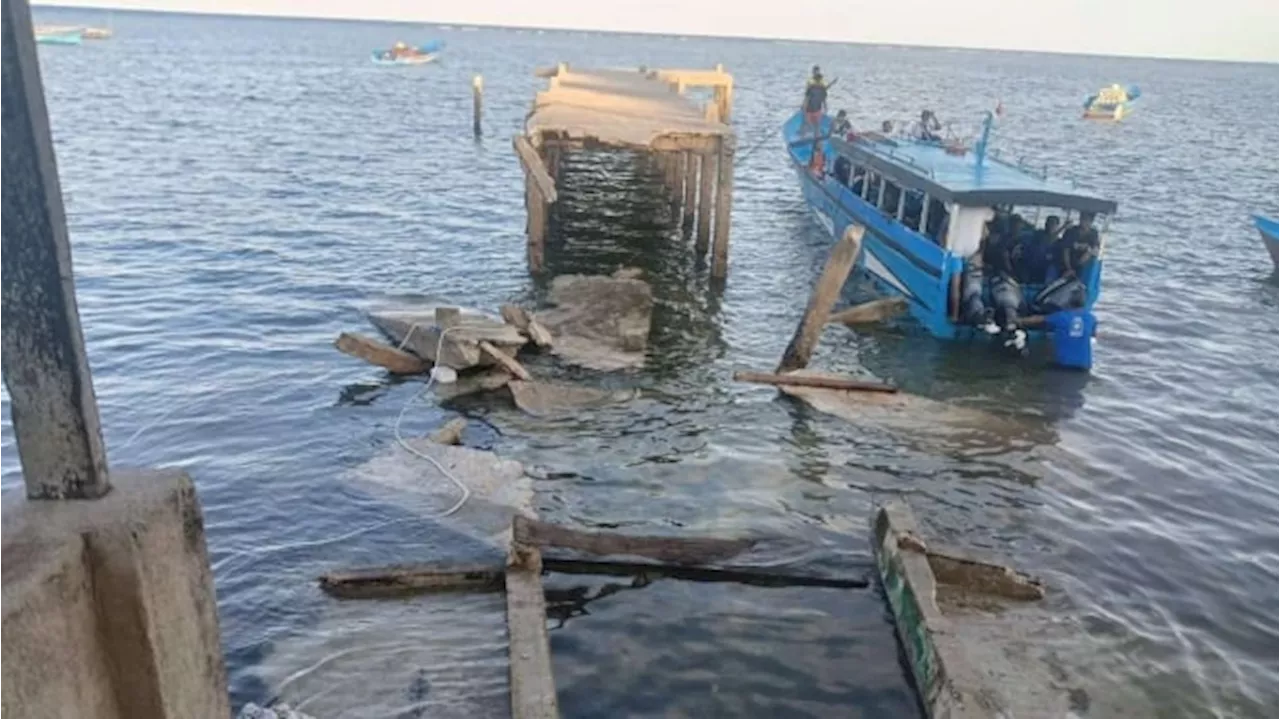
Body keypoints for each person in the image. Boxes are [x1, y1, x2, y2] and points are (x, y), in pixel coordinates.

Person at [1055, 211, 1101, 277]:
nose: (1083, 222)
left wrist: (1088, 248)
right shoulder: (1071, 231)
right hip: (1068, 261)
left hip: (1082, 262)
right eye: (1082, 219)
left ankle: (1076, 271)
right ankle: (1069, 271)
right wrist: (1069, 268)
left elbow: (1096, 248)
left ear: (1091, 221)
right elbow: (1065, 250)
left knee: (1089, 252)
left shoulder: (1094, 233)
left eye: (1086, 220)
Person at [802, 71, 830, 135]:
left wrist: (826, 109)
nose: (818, 81)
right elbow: (806, 100)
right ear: (815, 80)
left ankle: (817, 139)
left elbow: (824, 100)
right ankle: (803, 136)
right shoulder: (811, 88)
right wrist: (804, 110)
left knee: (817, 125)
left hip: (817, 110)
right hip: (809, 110)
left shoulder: (822, 89)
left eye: (819, 80)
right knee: (807, 124)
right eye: (817, 80)